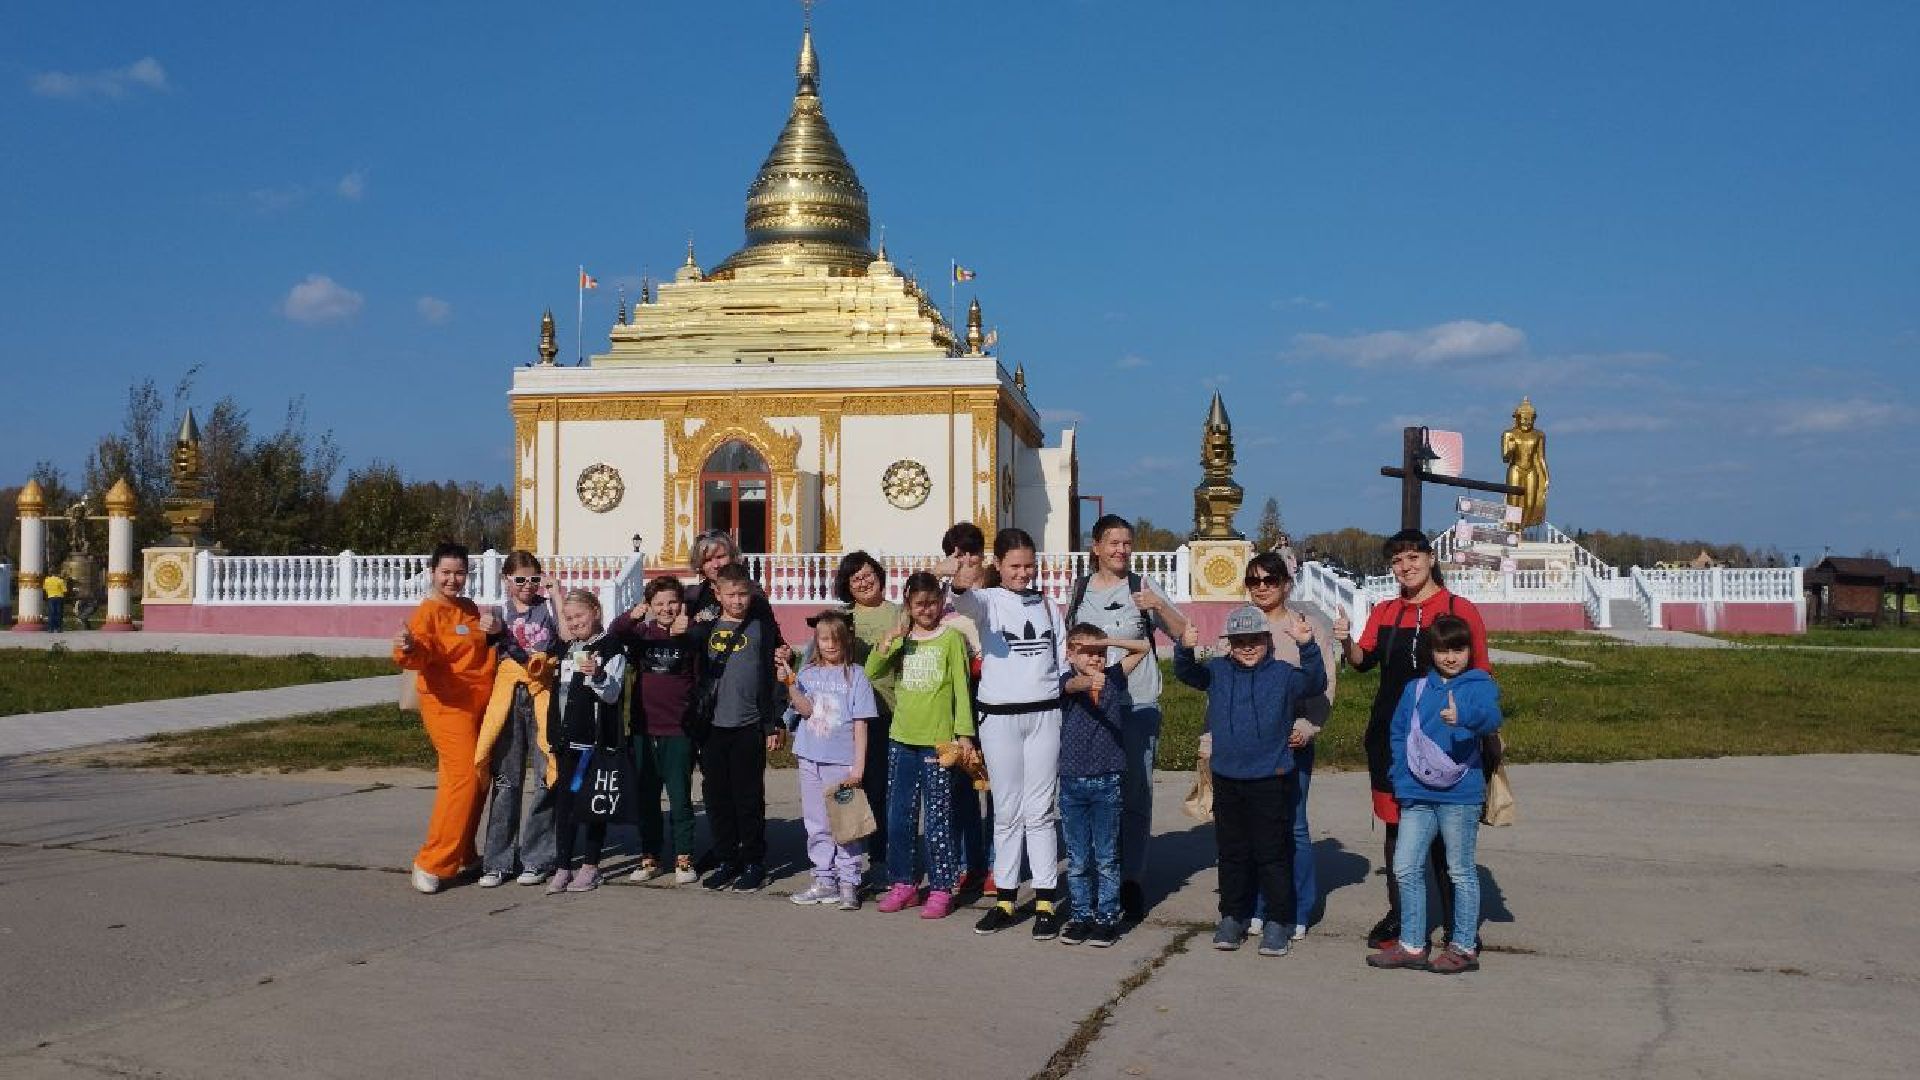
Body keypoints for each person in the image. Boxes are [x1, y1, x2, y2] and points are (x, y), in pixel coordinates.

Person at [1335, 528, 1490, 952]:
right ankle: (1402, 916)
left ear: (1430, 559)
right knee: (1395, 826)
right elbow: (1362, 661)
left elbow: (1481, 674)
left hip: (1446, 737)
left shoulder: (1460, 609)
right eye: (1397, 562)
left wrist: (1474, 725)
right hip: (1392, 735)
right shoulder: (1387, 611)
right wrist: (1345, 639)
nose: (1405, 568)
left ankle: (1459, 925)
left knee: (1445, 833)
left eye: (1412, 558)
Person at [1174, 604, 1326, 957]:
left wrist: (1308, 645)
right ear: (1229, 643)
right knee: (1232, 853)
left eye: (1254, 640)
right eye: (1239, 640)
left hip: (1270, 778)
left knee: (1273, 854)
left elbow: (1316, 682)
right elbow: (1187, 674)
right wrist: (1184, 648)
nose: (1247, 647)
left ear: (1267, 640)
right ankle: (1232, 916)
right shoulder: (1217, 671)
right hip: (1227, 777)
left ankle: (1278, 922)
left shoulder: (1284, 675)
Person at [944, 528, 1071, 939]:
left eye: (1029, 565)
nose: (1023, 573)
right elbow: (960, 599)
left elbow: (1063, 659)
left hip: (1044, 716)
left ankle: (1047, 900)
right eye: (1015, 566)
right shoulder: (988, 601)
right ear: (998, 565)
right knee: (1007, 810)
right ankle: (1004, 899)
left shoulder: (1050, 606)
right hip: (999, 718)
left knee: (1040, 810)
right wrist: (957, 573)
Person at [1064, 514, 1189, 920]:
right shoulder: (1079, 590)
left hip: (1135, 703)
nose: (1121, 550)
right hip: (1090, 708)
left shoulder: (1142, 587)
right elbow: (1068, 643)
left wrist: (1158, 608)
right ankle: (1101, 877)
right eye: (1113, 542)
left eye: (1127, 543)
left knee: (1134, 793)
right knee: (1092, 794)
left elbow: (1183, 632)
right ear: (1096, 547)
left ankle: (1131, 878)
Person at [1367, 614, 1503, 974]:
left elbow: (1492, 717)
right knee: (1406, 866)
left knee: (1459, 870)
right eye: (1442, 649)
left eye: (1458, 649)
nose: (1450, 657)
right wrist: (1400, 776)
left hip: (1460, 796)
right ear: (1431, 652)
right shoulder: (1416, 688)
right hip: (1416, 794)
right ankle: (1411, 945)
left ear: (1470, 650)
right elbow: (1398, 733)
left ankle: (1463, 946)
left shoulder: (1480, 684)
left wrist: (1465, 718)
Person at [864, 572, 976, 919]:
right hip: (902, 739)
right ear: (909, 606)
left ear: (941, 602)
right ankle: (904, 882)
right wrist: (890, 640)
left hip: (938, 743)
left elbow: (961, 687)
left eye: (932, 602)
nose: (926, 610)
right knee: (899, 817)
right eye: (919, 604)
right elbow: (872, 672)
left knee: (939, 817)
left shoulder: (951, 639)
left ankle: (942, 887)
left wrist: (964, 735)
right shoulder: (902, 638)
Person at [1241, 552, 1338, 941]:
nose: (1262, 587)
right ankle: (1259, 905)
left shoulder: (1307, 625)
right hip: (1248, 746)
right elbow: (1222, 686)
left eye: (1270, 580)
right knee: (1254, 830)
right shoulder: (1241, 623)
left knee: (1293, 826)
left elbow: (1324, 682)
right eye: (1254, 581)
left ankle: (1297, 908)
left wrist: (1307, 727)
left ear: (1285, 584)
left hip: (1289, 743)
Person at [392, 542, 495, 895]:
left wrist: (493, 630)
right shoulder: (428, 612)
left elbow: (481, 647)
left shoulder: (468, 608)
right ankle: (432, 861)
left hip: (479, 706)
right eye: (446, 572)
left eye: (459, 573)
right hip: (447, 707)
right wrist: (407, 647)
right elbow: (418, 652)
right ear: (432, 572)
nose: (453, 579)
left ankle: (464, 851)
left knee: (479, 778)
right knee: (463, 778)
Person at [689, 563, 784, 893]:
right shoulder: (705, 627)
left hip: (749, 726)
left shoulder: (762, 625)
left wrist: (772, 724)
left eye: (744, 593)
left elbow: (774, 676)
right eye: (731, 594)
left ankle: (754, 860)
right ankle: (727, 858)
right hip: (713, 727)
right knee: (717, 797)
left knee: (748, 798)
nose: (738, 600)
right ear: (717, 593)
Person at [473, 552, 563, 888]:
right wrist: (493, 631)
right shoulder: (498, 614)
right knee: (507, 779)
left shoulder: (548, 609)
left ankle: (538, 858)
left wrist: (556, 593)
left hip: (543, 693)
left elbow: (566, 637)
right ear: (506, 580)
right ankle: (497, 861)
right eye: (520, 579)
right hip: (509, 696)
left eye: (534, 579)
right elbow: (480, 648)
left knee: (546, 775)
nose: (527, 586)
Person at [778, 610, 877, 912]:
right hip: (810, 758)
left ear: (846, 641)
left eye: (835, 639)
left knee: (845, 825)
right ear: (816, 642)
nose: (830, 645)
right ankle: (824, 880)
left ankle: (849, 881)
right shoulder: (807, 673)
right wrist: (790, 684)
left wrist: (858, 766)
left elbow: (861, 724)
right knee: (816, 824)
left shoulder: (856, 676)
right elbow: (805, 711)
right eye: (823, 640)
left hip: (842, 763)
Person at [1056, 624, 1149, 946]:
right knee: (1078, 858)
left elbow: (1143, 649)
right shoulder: (1064, 681)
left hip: (1107, 779)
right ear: (1070, 653)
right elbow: (1071, 686)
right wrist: (1086, 680)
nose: (1095, 658)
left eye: (1100, 654)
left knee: (1107, 857)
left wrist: (1106, 641)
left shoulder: (1113, 676)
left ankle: (1107, 918)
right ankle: (1081, 915)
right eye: (1087, 652)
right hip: (1071, 782)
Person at [610, 575, 700, 886]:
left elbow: (703, 661)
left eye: (672, 602)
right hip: (644, 728)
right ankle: (650, 856)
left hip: (679, 729)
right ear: (650, 606)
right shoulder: (642, 635)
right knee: (647, 798)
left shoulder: (691, 636)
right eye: (659, 603)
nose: (666, 608)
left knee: (680, 797)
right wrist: (632, 615)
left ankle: (684, 857)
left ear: (681, 605)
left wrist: (686, 634)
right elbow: (614, 633)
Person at [544, 590, 629, 894]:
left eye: (580, 615)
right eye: (569, 618)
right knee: (565, 805)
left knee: (592, 805)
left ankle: (590, 866)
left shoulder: (610, 647)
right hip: (566, 741)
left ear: (595, 611)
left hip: (592, 742)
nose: (575, 622)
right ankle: (563, 866)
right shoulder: (567, 648)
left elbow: (613, 693)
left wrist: (598, 675)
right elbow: (558, 696)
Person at [831, 550, 901, 877]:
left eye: (867, 573)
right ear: (847, 586)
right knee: (858, 787)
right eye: (855, 577)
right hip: (855, 718)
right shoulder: (844, 620)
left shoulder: (901, 615)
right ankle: (853, 858)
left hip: (894, 712)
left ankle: (886, 856)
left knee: (888, 788)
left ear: (879, 574)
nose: (863, 580)